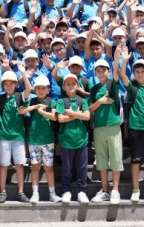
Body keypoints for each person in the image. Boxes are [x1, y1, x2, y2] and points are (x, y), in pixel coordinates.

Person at [118, 52, 144, 203]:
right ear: (134, 73)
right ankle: (135, 190)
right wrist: (124, 60)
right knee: (136, 161)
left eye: (143, 71)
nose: (140, 74)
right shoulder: (132, 87)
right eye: (137, 71)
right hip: (135, 127)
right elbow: (122, 75)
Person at [19, 75, 61, 204]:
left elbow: (54, 117)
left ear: (48, 90)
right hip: (33, 140)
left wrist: (42, 112)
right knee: (35, 167)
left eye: (43, 88)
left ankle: (52, 194)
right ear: (34, 89)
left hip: (48, 139)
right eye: (38, 88)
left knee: (49, 167)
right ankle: (35, 193)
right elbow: (21, 110)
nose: (41, 90)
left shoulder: (51, 101)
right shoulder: (32, 101)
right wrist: (35, 107)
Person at [87, 58, 124, 204]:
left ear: (108, 71)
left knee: (116, 158)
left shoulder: (112, 84)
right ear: (95, 73)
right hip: (98, 128)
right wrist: (100, 101)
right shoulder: (94, 89)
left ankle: (115, 190)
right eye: (98, 70)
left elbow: (116, 74)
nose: (101, 73)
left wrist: (117, 55)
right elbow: (90, 109)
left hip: (113, 127)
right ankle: (105, 190)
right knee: (101, 160)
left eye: (104, 70)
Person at [57, 73, 91, 205]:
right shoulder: (62, 101)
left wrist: (70, 112)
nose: (71, 86)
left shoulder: (82, 101)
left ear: (77, 86)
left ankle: (82, 191)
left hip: (81, 139)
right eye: (68, 84)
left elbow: (87, 116)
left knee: (82, 167)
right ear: (64, 87)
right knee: (66, 168)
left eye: (73, 83)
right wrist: (78, 114)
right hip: (67, 140)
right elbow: (61, 119)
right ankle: (66, 191)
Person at [0, 70, 29, 203]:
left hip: (18, 137)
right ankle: (2, 192)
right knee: (3, 165)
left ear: (16, 84)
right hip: (4, 136)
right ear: (3, 86)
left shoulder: (19, 96)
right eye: (6, 84)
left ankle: (21, 192)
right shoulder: (1, 98)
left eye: (11, 84)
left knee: (19, 165)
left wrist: (23, 74)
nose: (9, 86)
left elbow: (29, 89)